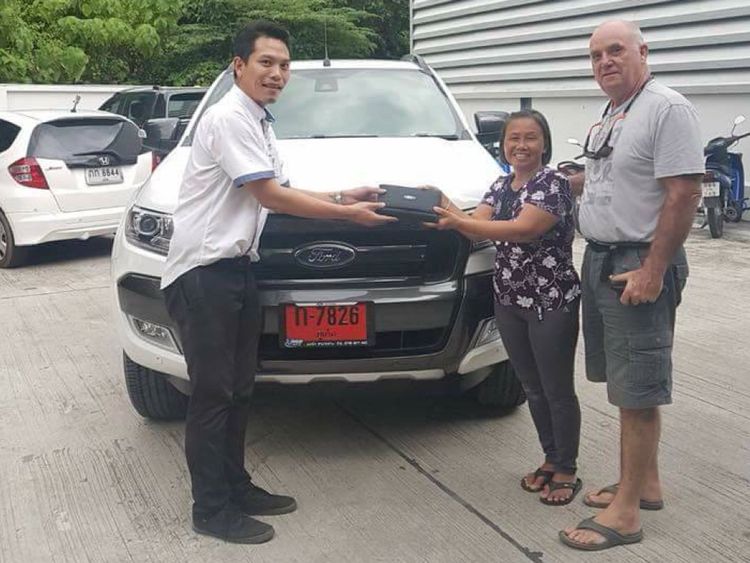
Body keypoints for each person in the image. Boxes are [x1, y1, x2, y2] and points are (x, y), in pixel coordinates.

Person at [160, 21, 395, 545]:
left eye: (284, 65)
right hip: (204, 275)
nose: (277, 73)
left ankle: (236, 487)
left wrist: (344, 196)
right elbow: (270, 196)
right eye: (266, 62)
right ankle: (211, 509)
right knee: (213, 395)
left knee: (241, 390)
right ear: (238, 66)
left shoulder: (259, 123)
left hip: (239, 270)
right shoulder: (227, 118)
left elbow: (283, 188)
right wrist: (348, 218)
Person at [559, 20, 703, 551]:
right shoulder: (617, 111)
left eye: (615, 51)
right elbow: (607, 177)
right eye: (595, 55)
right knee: (624, 382)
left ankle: (624, 517)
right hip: (602, 258)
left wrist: (653, 270)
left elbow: (683, 193)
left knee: (639, 387)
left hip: (636, 263)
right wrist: (548, 178)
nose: (604, 63)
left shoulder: (667, 108)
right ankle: (645, 484)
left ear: (643, 52)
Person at [431, 110, 583, 506]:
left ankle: (566, 468)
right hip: (509, 300)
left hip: (550, 301)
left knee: (556, 389)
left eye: (530, 138)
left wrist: (458, 222)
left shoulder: (554, 185)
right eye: (513, 138)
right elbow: (476, 218)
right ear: (503, 145)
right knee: (531, 388)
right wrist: (435, 202)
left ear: (544, 144)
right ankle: (550, 459)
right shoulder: (500, 185)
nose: (521, 145)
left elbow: (521, 229)